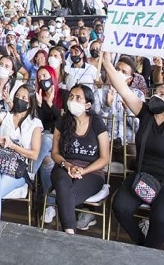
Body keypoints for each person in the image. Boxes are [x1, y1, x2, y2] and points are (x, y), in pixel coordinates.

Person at [105, 52, 164, 250]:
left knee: (160, 218)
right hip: (143, 178)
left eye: (163, 95)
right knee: (120, 207)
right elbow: (124, 90)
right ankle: (143, 246)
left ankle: (148, 254)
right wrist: (107, 62)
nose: (156, 96)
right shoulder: (145, 114)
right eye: (156, 92)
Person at [50, 84, 110, 234]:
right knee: (63, 184)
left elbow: (104, 158)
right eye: (71, 96)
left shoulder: (97, 123)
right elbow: (55, 153)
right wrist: (68, 166)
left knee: (68, 197)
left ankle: (68, 233)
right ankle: (70, 234)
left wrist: (84, 171)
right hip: (64, 167)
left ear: (87, 105)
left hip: (91, 172)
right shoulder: (62, 122)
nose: (73, 100)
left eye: (78, 98)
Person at [0, 83, 42, 221]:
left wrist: (13, 146)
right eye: (17, 96)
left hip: (16, 169)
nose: (19, 99)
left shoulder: (35, 123)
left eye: (24, 97)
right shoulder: (5, 115)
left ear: (30, 104)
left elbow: (34, 154)